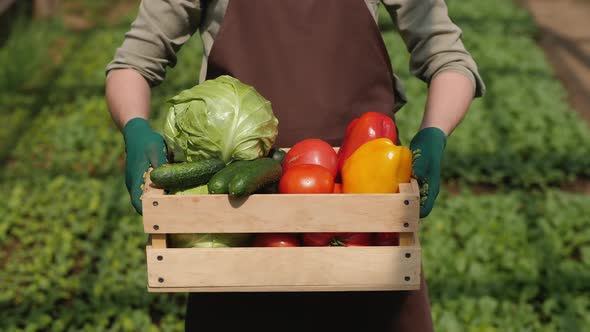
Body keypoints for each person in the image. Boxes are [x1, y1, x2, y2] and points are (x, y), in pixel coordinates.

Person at [106, 0, 485, 331]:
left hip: (364, 217)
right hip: (241, 218)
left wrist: (434, 133)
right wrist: (135, 126)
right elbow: (133, 63)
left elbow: (449, 59)